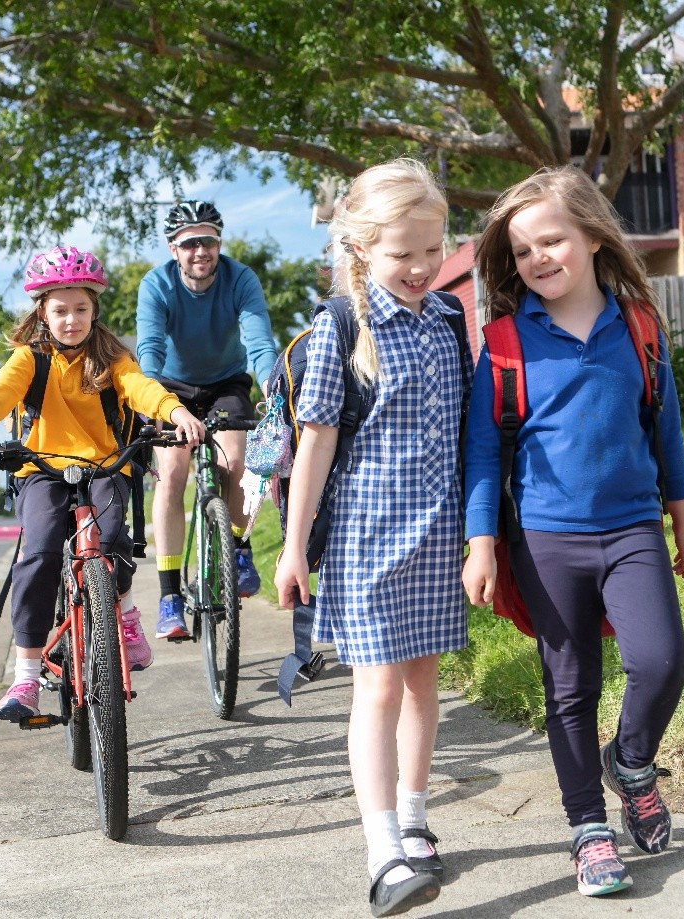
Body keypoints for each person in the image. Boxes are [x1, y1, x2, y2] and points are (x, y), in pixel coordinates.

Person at [462, 167, 684, 897]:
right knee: (569, 688)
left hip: (632, 527)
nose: (537, 258)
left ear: (593, 236)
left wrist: (681, 517)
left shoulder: (638, 326)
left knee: (661, 662)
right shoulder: (503, 341)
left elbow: (664, 428)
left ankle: (630, 761)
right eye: (523, 249)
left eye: (552, 240)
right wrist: (480, 544)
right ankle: (587, 830)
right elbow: (481, 451)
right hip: (544, 538)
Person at [274, 159, 470, 917]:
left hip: (434, 535)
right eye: (401, 254)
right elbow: (314, 444)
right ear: (361, 250)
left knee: (423, 681)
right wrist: (294, 547)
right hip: (364, 537)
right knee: (378, 685)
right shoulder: (342, 328)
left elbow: (464, 431)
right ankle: (381, 844)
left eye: (431, 250)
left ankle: (416, 820)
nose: (420, 267)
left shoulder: (449, 322)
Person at [0, 245, 206, 722]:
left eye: (81, 309)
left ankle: (125, 619)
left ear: (95, 309)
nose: (72, 320)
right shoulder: (32, 358)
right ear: (43, 313)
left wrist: (176, 412)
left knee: (113, 542)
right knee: (39, 553)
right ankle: (26, 675)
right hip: (41, 470)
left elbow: (141, 388)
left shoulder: (112, 356)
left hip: (106, 465)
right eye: (61, 310)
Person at [136, 200, 278, 641]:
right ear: (173, 248)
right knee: (172, 475)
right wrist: (151, 398)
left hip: (225, 384)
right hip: (171, 389)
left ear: (219, 243)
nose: (201, 251)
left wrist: (275, 385)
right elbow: (151, 348)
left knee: (238, 463)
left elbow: (258, 341)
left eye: (209, 241)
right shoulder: (156, 284)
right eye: (190, 243)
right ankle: (169, 597)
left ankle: (238, 550)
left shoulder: (240, 278)